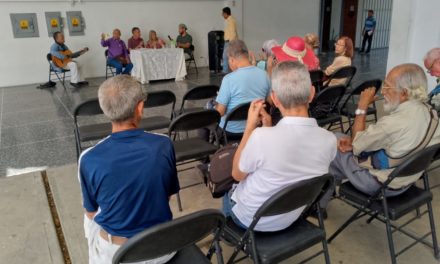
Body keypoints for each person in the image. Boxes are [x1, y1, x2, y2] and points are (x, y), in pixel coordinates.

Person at [223, 61, 337, 231]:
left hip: (252, 219)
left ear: (274, 99)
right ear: (312, 93)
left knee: (225, 187)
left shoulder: (261, 137)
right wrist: (267, 127)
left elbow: (237, 174)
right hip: (291, 215)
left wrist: (249, 128)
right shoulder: (330, 139)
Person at [79, 75, 180, 264]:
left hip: (118, 254)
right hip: (162, 248)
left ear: (105, 109)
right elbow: (166, 196)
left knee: (90, 220)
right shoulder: (163, 145)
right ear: (140, 107)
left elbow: (91, 213)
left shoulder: (89, 158)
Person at [320, 63, 440, 209]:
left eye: (387, 87)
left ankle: (319, 204)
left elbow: (357, 143)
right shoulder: (432, 115)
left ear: (404, 93)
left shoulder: (392, 124)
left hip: (379, 186)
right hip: (406, 181)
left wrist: (362, 107)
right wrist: (355, 145)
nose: (383, 92)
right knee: (341, 146)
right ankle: (327, 189)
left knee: (333, 142)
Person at [215, 40, 271, 138]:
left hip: (231, 132)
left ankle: (209, 151)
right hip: (256, 128)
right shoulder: (265, 75)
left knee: (206, 122)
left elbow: (220, 112)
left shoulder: (228, 79)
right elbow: (270, 102)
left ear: (232, 59)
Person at [222, 7, 238, 73]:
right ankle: (230, 70)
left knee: (225, 56)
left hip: (229, 42)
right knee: (229, 56)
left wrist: (231, 43)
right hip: (229, 41)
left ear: (226, 13)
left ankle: (225, 71)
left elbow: (233, 33)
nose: (222, 15)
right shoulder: (230, 20)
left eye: (223, 13)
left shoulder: (231, 21)